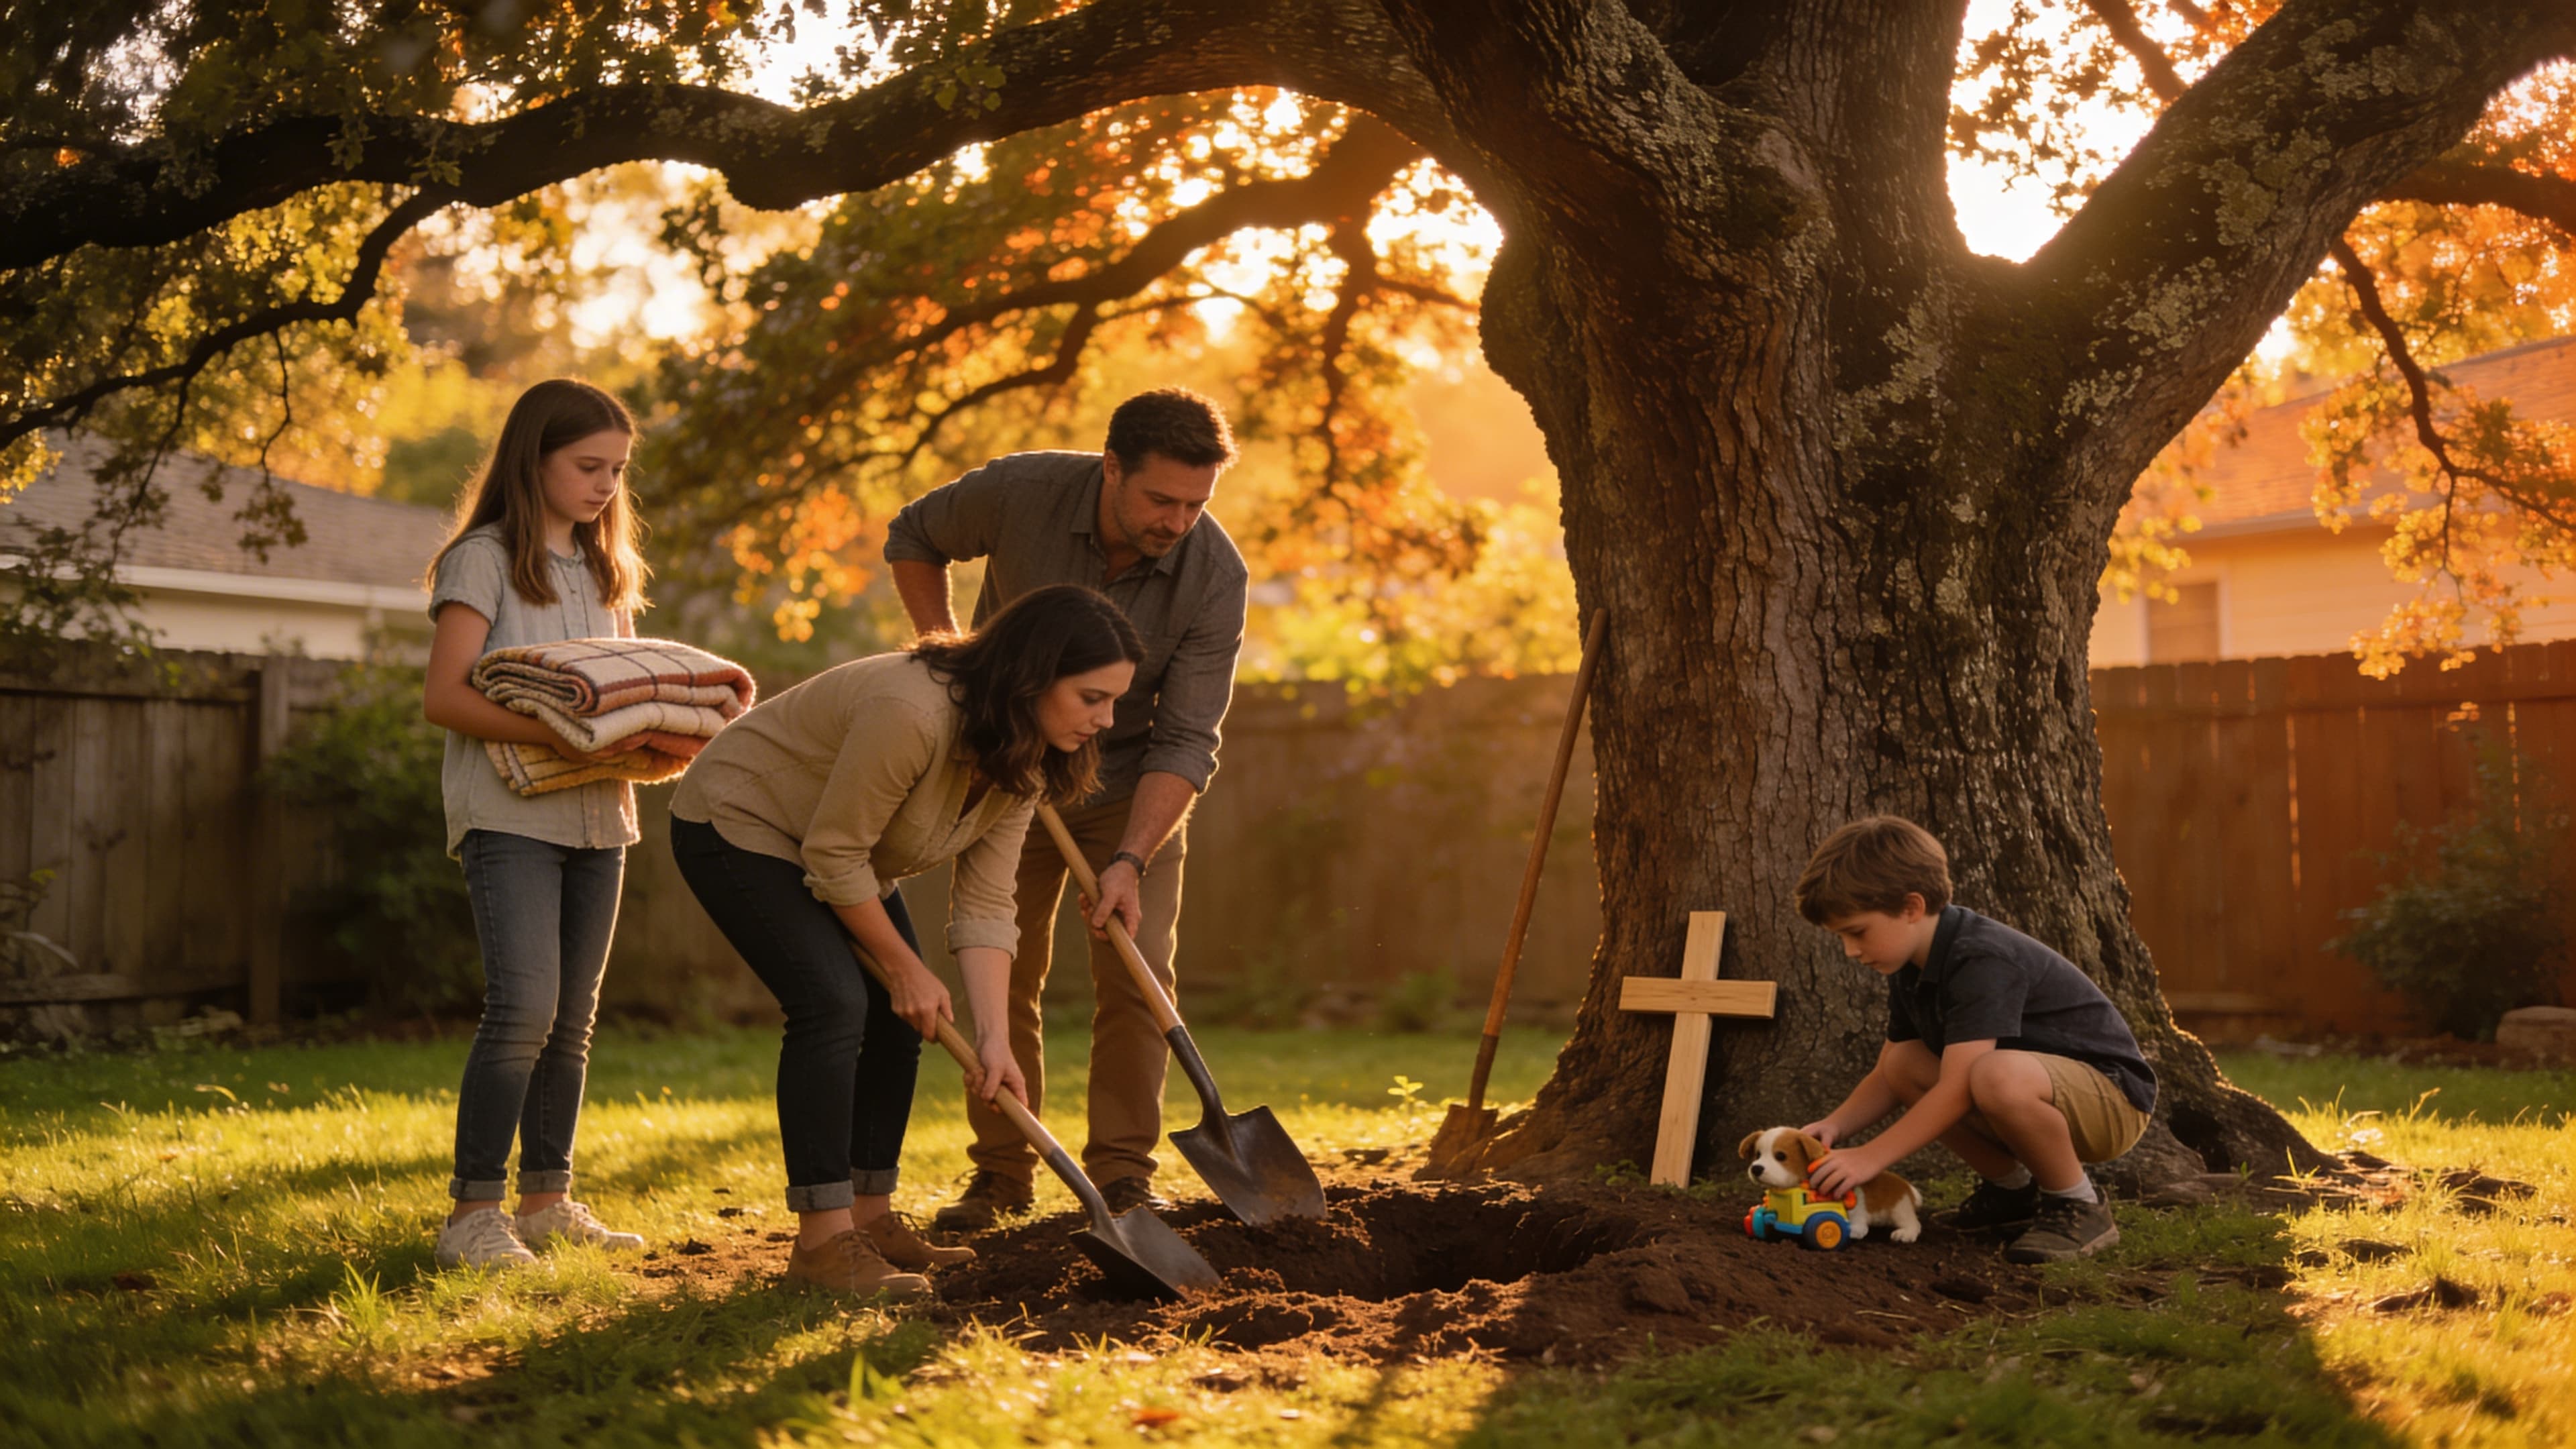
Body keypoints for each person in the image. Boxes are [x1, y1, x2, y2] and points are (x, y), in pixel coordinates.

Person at [667, 585, 1145, 1297]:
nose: (1105, 721)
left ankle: (870, 1217)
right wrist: (903, 967)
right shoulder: (912, 712)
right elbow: (834, 855)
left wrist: (993, 1040)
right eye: (1092, 698)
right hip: (745, 824)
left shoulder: (1025, 756)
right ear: (1034, 676)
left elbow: (985, 902)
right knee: (833, 1005)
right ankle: (824, 1246)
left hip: (842, 854)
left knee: (902, 1022)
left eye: (1114, 702)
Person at [883, 388, 1247, 1231]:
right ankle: (1005, 1172)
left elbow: (1188, 738)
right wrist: (950, 659)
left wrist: (1130, 860)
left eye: (1196, 504)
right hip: (1007, 772)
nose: (1177, 521)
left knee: (1139, 971)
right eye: (1161, 499)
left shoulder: (1214, 576)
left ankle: (1124, 1176)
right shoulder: (1021, 492)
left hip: (1125, 791)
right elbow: (915, 536)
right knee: (1001, 971)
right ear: (1111, 467)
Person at [422, 378, 657, 1270]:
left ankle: (548, 1200)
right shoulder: (481, 557)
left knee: (572, 1020)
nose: (605, 485)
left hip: (603, 817)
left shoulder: (607, 570)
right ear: (536, 460)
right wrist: (572, 732)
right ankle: (471, 1217)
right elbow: (446, 698)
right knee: (524, 1006)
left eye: (617, 470)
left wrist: (649, 736)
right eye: (587, 466)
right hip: (510, 815)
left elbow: (620, 696)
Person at [1792, 816, 2157, 1264]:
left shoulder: (1980, 957)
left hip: (2112, 1099)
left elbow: (1960, 1087)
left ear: (1910, 907)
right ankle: (2012, 1195)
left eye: (1858, 931)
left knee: (1990, 1074)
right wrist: (1836, 1126)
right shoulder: (1911, 966)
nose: (1851, 950)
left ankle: (2078, 1204)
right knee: (1905, 1063)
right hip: (2036, 1091)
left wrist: (1870, 1157)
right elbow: (1890, 1072)